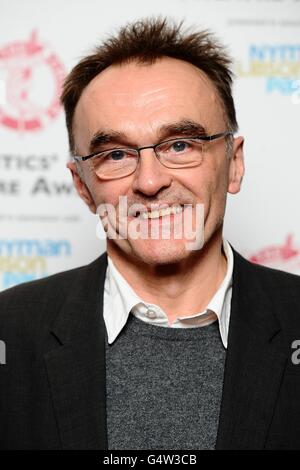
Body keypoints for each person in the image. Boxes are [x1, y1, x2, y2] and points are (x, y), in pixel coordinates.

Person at [1, 17, 300, 451]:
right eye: (116, 154)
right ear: (83, 185)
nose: (150, 181)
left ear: (234, 163)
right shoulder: (10, 332)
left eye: (180, 145)